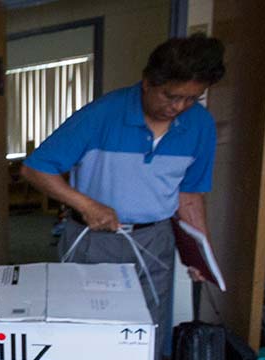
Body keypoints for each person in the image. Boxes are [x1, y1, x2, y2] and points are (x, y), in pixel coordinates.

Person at [21, 34, 225, 333]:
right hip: (95, 240)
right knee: (89, 330)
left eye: (191, 98)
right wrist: (86, 204)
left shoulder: (200, 125)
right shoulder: (101, 114)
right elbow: (35, 169)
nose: (179, 106)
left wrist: (199, 252)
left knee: (148, 328)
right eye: (171, 96)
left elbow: (190, 194)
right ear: (148, 82)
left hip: (156, 238)